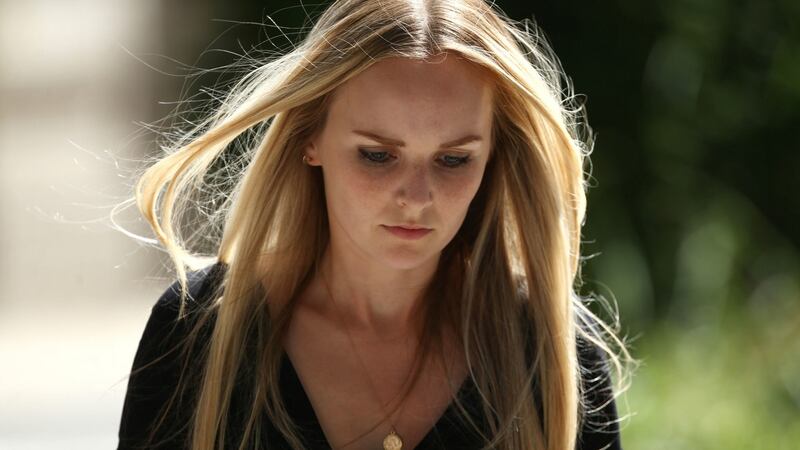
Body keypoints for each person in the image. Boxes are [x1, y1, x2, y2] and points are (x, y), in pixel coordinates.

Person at [117, 0, 635, 449]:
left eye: (454, 160)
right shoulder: (200, 331)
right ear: (310, 138)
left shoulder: (553, 352)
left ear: (493, 156)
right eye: (378, 155)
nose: (416, 198)